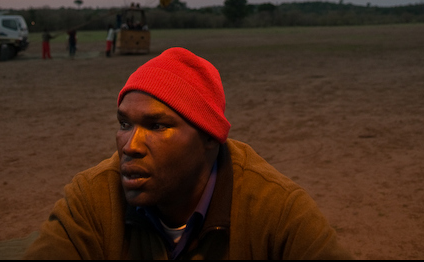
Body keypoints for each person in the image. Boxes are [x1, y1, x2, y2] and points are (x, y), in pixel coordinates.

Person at [22, 48, 354, 260]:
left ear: (210, 137)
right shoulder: (92, 198)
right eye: (124, 123)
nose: (130, 145)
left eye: (156, 126)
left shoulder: (276, 208)